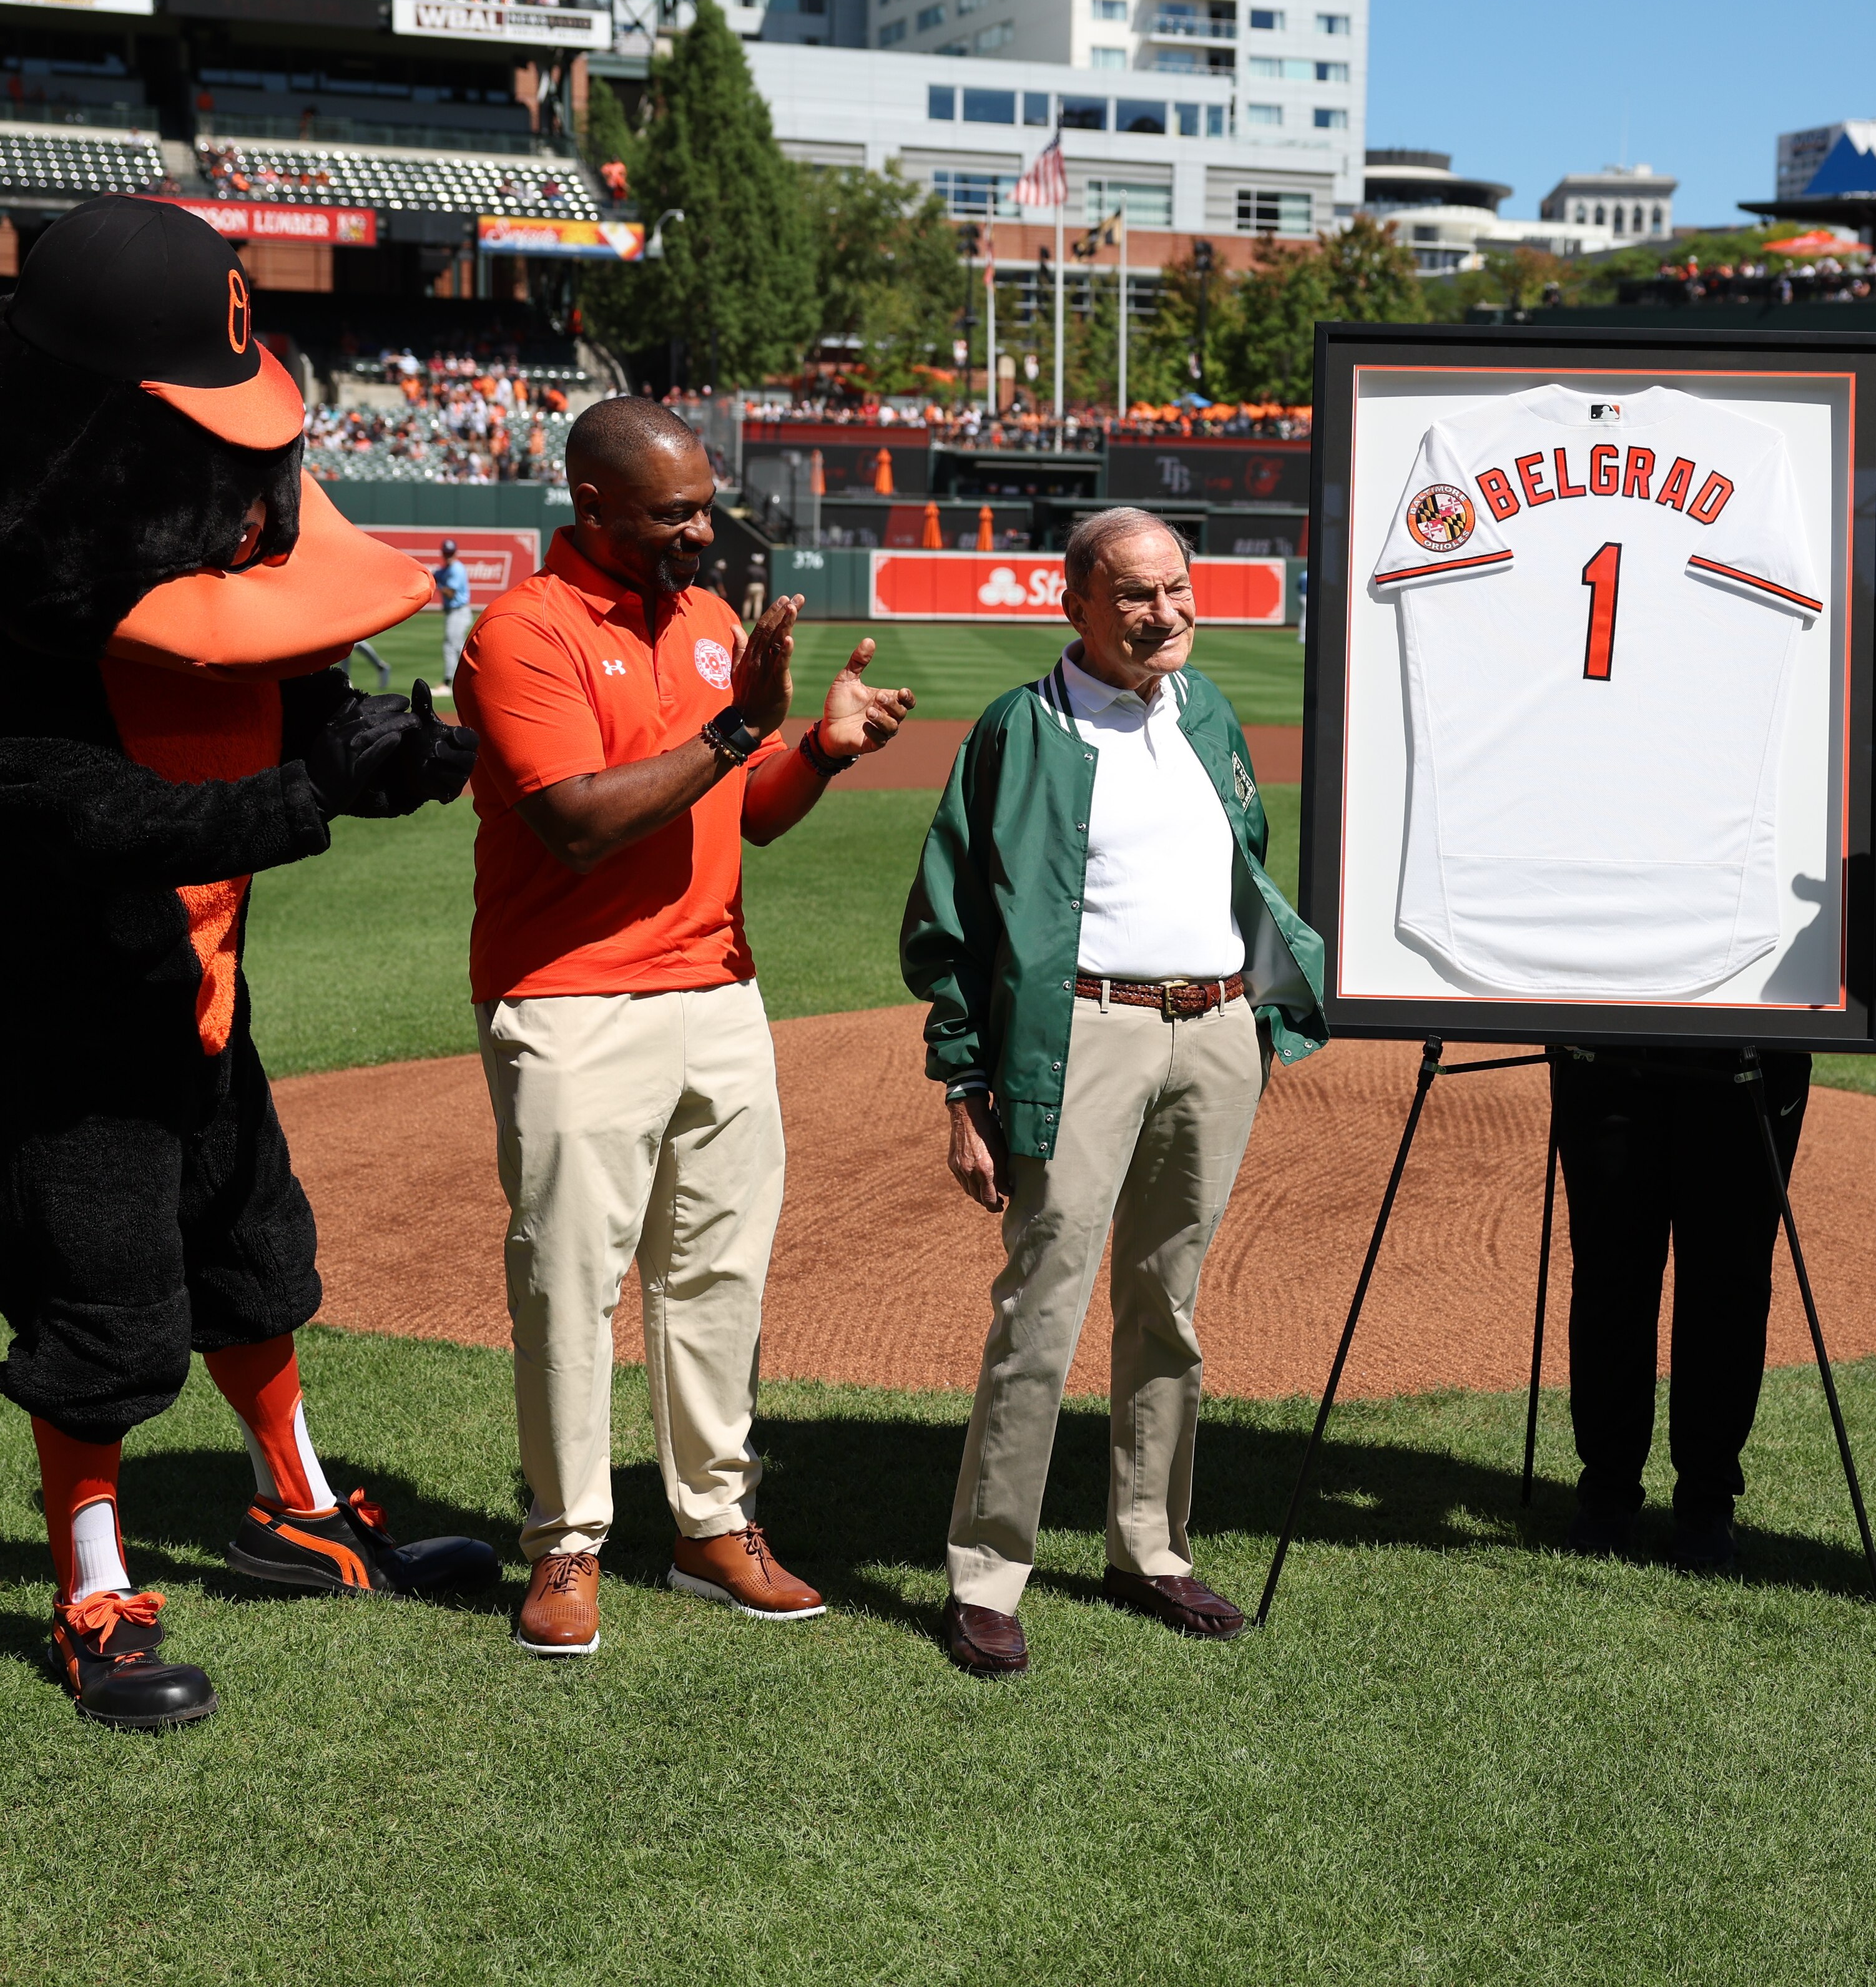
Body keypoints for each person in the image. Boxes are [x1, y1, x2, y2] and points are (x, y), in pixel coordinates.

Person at [455, 396, 917, 1657]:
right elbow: (578, 819)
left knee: (719, 1274)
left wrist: (812, 751)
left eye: (705, 505)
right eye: (675, 513)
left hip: (718, 991)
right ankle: (566, 1541)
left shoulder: (711, 623)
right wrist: (728, 734)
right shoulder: (521, 632)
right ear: (592, 507)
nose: (701, 532)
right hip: (570, 998)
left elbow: (744, 814)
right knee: (568, 1281)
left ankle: (714, 1525)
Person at [901, 506, 1327, 1678]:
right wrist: (965, 1082)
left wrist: (1259, 1009)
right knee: (1043, 1300)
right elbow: (951, 921)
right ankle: (988, 1573)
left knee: (1169, 1303)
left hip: (1217, 1030)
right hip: (1084, 1034)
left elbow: (1249, 853)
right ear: (1076, 602)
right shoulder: (1017, 731)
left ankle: (1151, 1546)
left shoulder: (1209, 711)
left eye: (1177, 589)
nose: (1165, 613)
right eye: (1135, 594)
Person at [1552, 1046, 1808, 1571]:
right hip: (1607, 1041)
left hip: (1750, 1047)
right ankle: (1606, 1491)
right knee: (1609, 1272)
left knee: (1729, 1281)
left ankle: (1707, 1503)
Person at [436, 536, 472, 689]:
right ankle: (464, 683)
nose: (448, 556)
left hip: (459, 612)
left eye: (450, 553)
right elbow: (433, 575)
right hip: (455, 613)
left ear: (455, 553)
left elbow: (450, 593)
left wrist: (439, 585)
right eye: (446, 553)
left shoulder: (456, 569)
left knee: (451, 647)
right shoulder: (447, 569)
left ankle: (447, 683)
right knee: (457, 647)